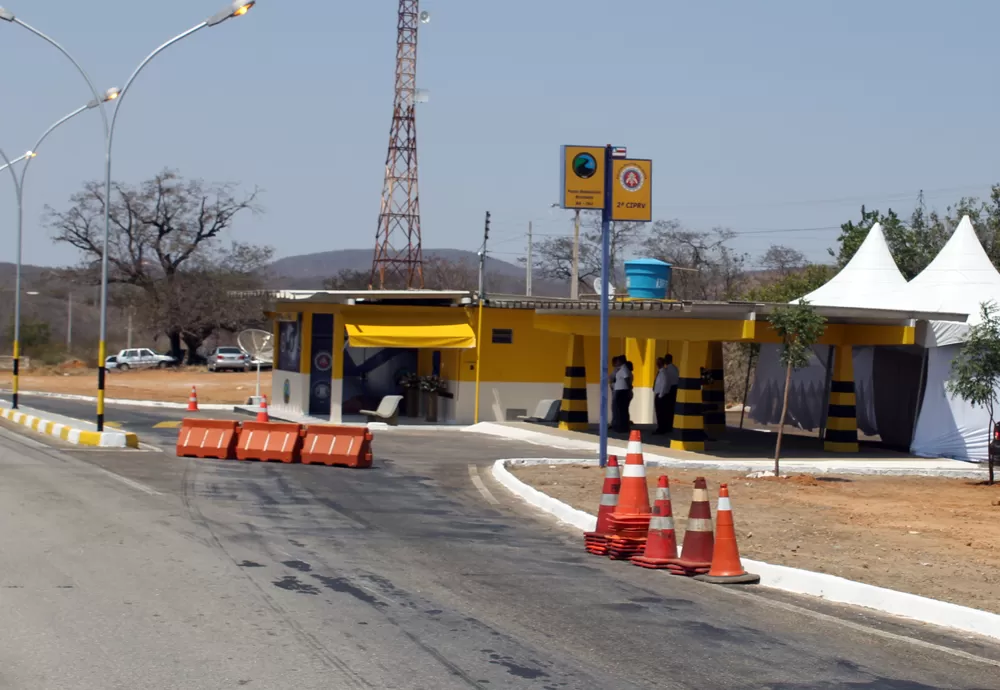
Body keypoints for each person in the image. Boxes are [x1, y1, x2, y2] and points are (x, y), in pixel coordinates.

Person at [654, 354, 679, 436]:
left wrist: (661, 395)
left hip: (667, 392)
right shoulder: (675, 368)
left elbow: (665, 383)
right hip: (670, 390)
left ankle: (663, 428)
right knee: (667, 411)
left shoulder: (665, 371)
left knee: (663, 412)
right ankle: (666, 427)